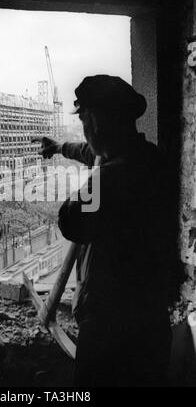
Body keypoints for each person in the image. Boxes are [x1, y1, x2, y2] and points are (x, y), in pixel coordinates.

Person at [33, 75, 185, 387]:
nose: (84, 131)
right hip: (151, 320)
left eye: (85, 120)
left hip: (108, 330)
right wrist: (61, 147)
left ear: (97, 122)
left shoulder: (107, 181)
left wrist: (90, 181)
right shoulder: (152, 160)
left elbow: (70, 221)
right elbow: (90, 152)